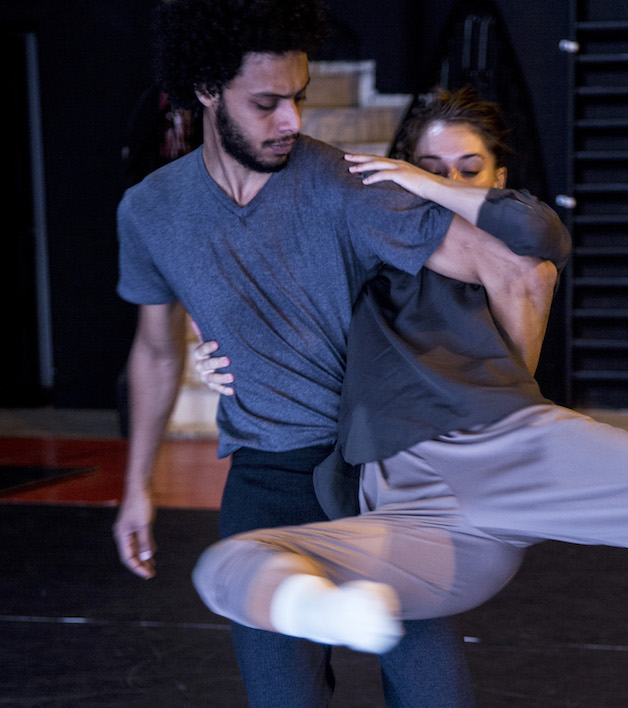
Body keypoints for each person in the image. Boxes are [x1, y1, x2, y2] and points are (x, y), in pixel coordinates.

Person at [190, 86, 628, 658]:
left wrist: (429, 186)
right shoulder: (371, 254)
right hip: (409, 504)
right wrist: (219, 360)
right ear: (396, 170)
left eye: (467, 168)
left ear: (498, 178)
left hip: (493, 442)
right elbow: (286, 320)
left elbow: (539, 231)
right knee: (233, 564)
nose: (445, 177)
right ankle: (330, 615)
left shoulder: (510, 255)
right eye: (429, 163)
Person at [113, 1, 560, 705]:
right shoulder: (150, 211)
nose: (292, 121)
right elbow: (155, 352)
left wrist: (498, 432)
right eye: (267, 103)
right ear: (205, 89)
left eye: (299, 98)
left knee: (434, 695)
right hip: (265, 483)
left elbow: (522, 272)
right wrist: (137, 484)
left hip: (382, 475)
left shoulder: (343, 185)